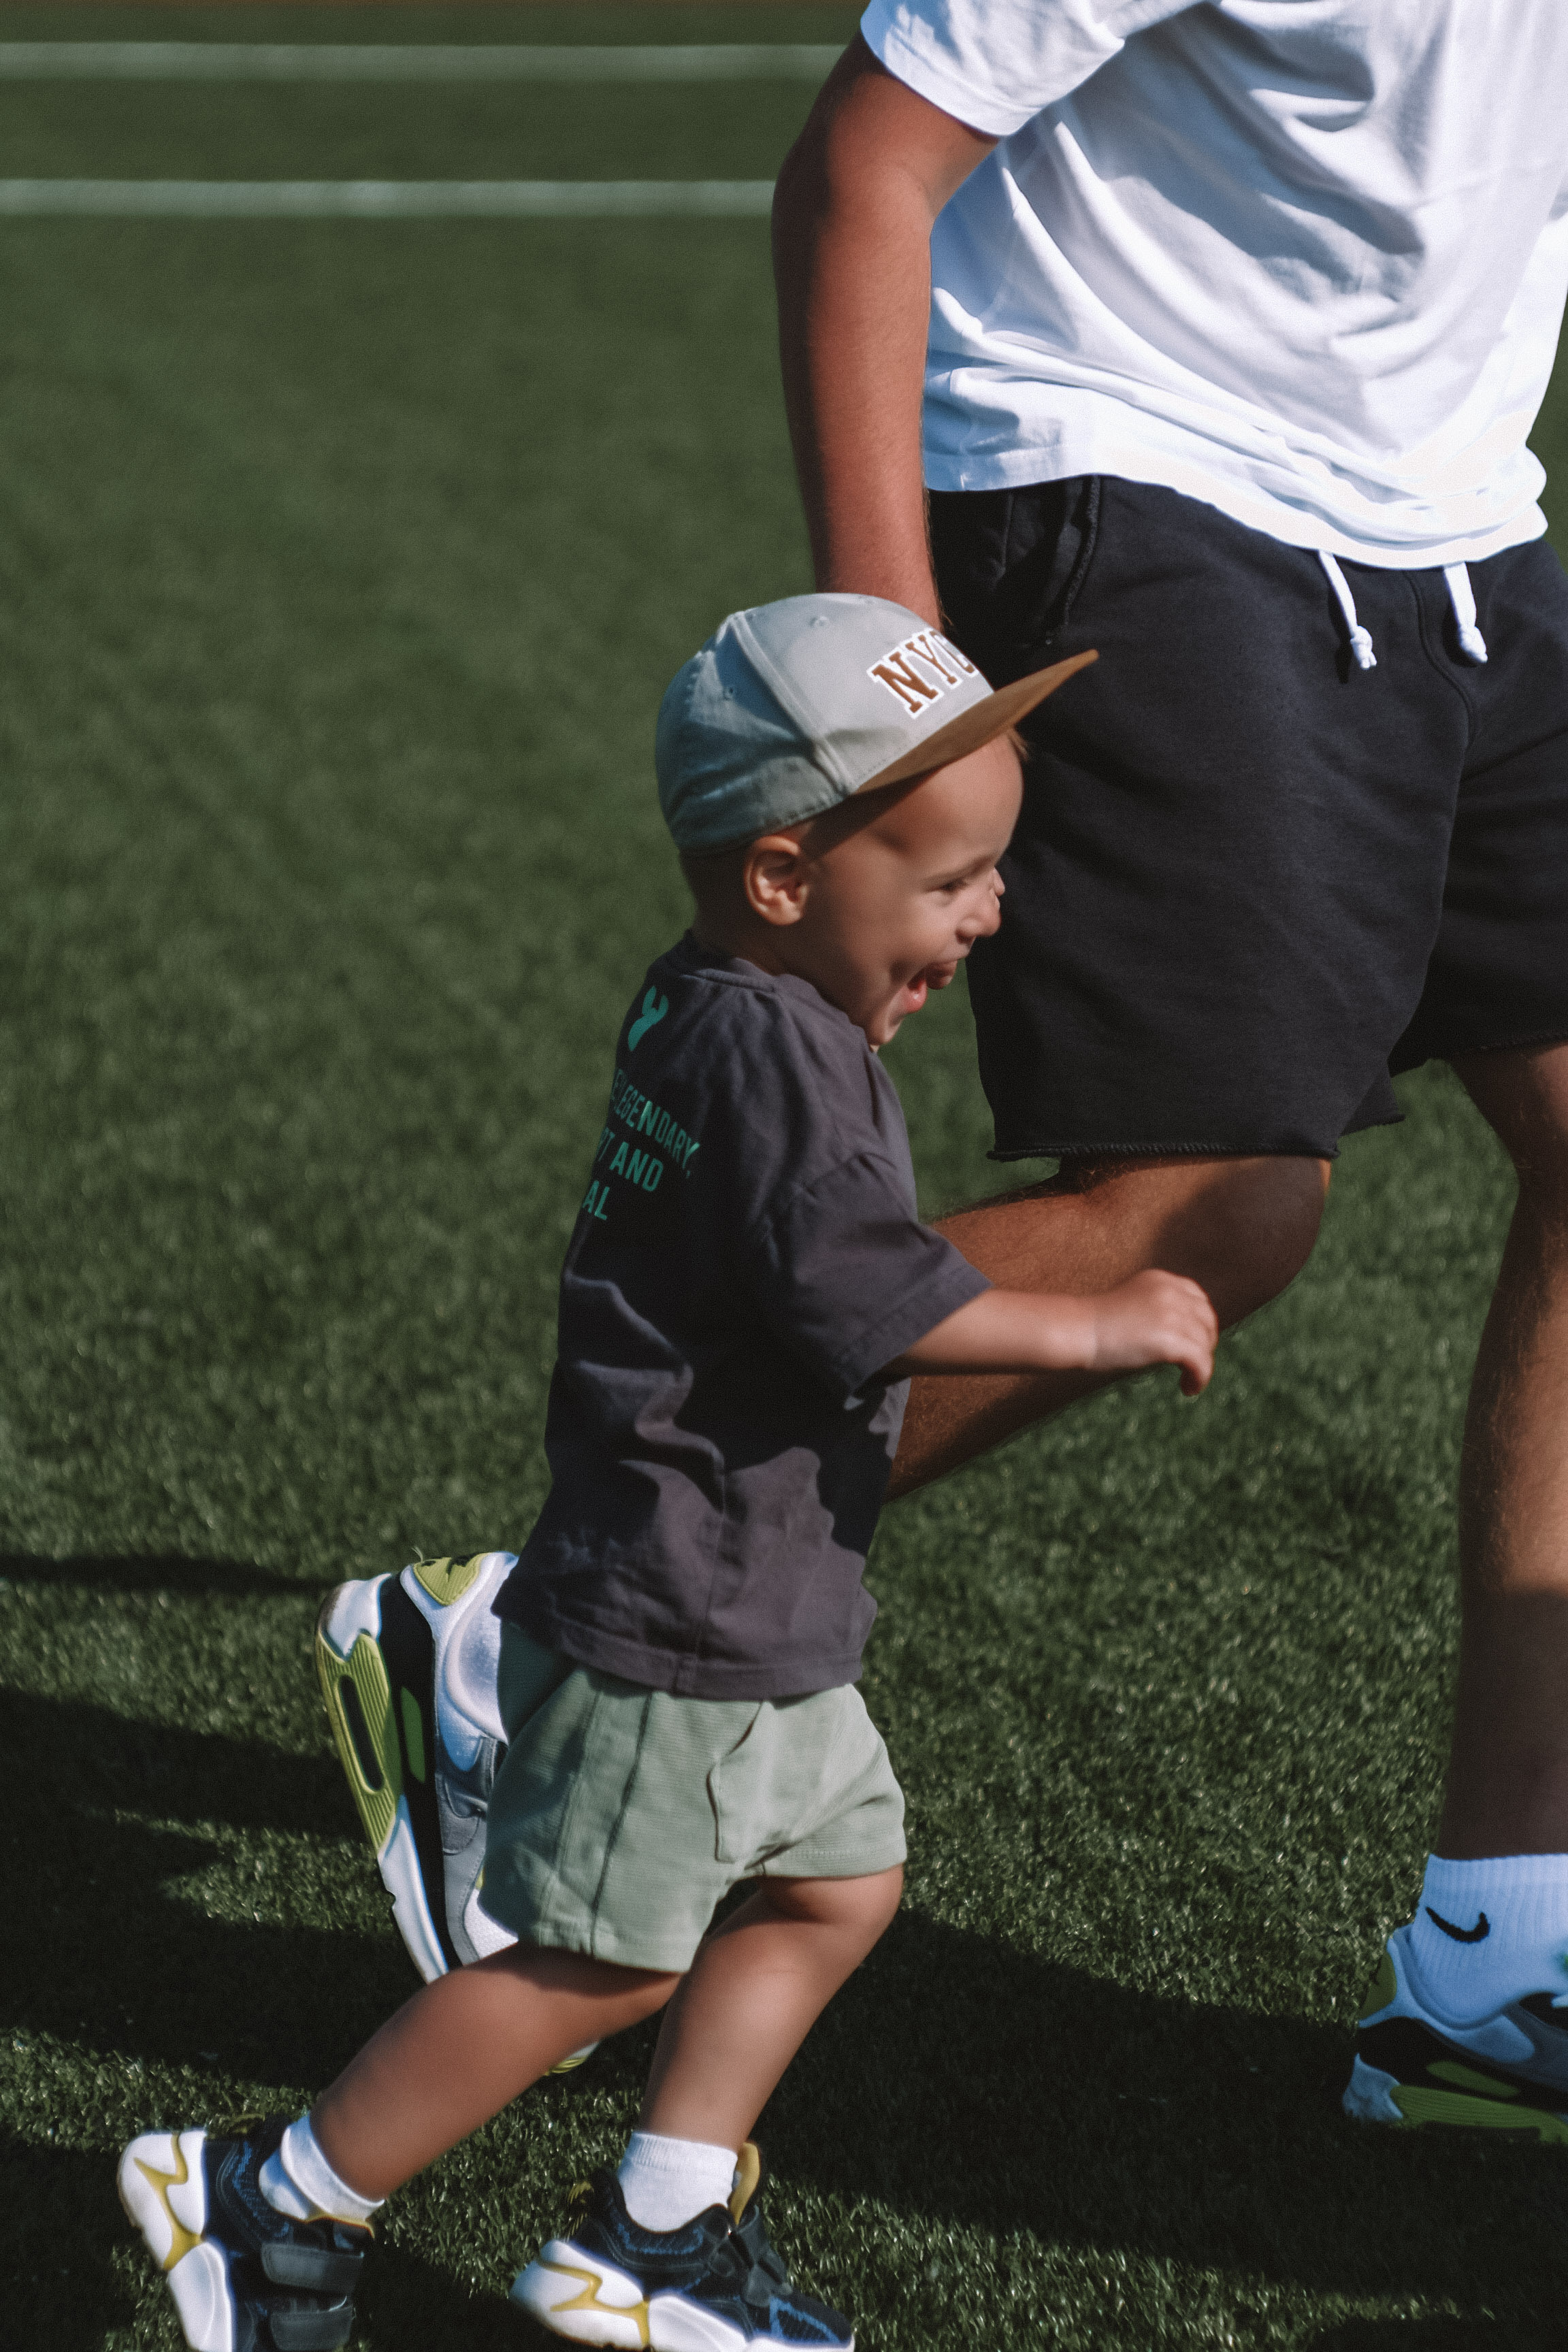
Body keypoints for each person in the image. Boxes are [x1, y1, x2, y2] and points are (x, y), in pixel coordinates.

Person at [120, 593, 1218, 2352]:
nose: (990, 916)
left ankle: (656, 2224)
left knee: (835, 1883)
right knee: (599, 1962)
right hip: (684, 1607)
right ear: (785, 878)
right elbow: (859, 1295)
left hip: (754, 1593)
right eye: (949, 886)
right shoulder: (773, 1052)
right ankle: (270, 2202)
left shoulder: (743, 1006)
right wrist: (1092, 1326)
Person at [767, 1, 1568, 2138]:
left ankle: (1500, 1955)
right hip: (1140, 468)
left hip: (1459, 529)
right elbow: (866, 166)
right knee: (1216, 1204)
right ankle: (540, 1629)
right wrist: (909, 696)